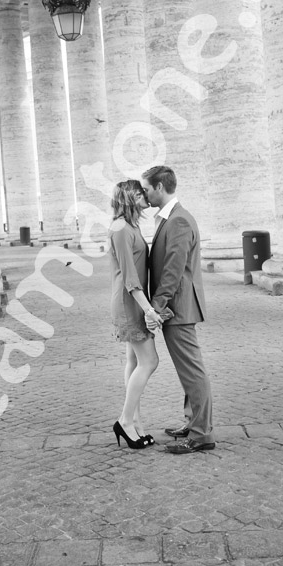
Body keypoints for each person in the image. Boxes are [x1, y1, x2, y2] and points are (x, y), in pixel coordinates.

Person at [141, 166, 215, 454]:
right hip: (178, 306)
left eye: (147, 189)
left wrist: (156, 307)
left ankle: (201, 435)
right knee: (188, 371)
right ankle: (193, 422)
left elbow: (172, 270)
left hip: (179, 307)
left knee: (193, 371)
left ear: (160, 187)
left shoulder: (179, 220)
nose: (145, 195)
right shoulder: (170, 218)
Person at [109, 179, 161, 450]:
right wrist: (149, 310)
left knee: (133, 359)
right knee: (150, 361)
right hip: (130, 302)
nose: (146, 195)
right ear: (131, 196)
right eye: (141, 192)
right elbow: (130, 278)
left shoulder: (131, 225)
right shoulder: (120, 228)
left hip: (134, 300)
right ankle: (125, 420)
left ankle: (136, 422)